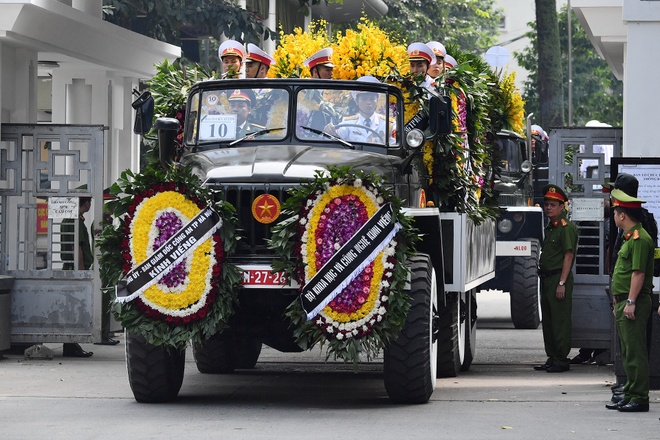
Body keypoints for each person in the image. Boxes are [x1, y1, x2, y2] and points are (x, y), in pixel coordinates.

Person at [604, 189, 653, 413]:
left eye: (615, 212)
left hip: (634, 302)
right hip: (624, 302)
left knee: (635, 353)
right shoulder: (629, 238)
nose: (614, 216)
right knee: (627, 352)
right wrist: (618, 301)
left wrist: (631, 301)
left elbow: (638, 274)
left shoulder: (640, 239)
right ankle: (631, 392)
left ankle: (640, 397)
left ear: (622, 215)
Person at [534, 184, 578, 373]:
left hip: (558, 278)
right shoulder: (551, 227)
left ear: (562, 207)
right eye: (547, 204)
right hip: (546, 279)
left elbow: (569, 256)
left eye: (553, 205)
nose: (548, 208)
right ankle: (552, 357)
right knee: (550, 321)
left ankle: (561, 359)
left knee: (560, 321)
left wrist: (561, 283)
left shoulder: (565, 228)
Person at [60, 196, 95, 357]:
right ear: (85, 203)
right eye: (90, 202)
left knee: (69, 308)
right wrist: (81, 271)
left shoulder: (67, 220)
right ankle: (71, 345)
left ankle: (71, 344)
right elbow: (78, 247)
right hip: (75, 270)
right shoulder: (77, 222)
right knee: (74, 309)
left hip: (67, 268)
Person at [323, 76, 391, 144]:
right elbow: (336, 137)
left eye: (372, 99)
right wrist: (330, 131)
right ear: (356, 101)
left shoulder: (388, 124)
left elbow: (393, 149)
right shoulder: (348, 123)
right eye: (364, 99)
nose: (368, 102)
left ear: (377, 100)